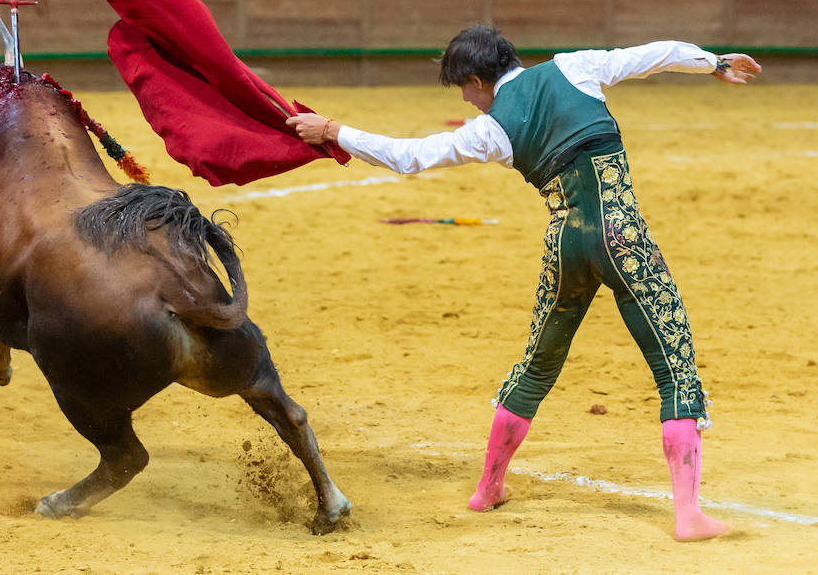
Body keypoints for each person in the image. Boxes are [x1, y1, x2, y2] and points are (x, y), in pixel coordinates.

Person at [287, 27, 760, 541]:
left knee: (537, 365)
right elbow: (653, 55)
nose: (467, 100)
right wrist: (713, 62)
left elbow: (409, 156)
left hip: (566, 247)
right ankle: (688, 514)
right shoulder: (572, 67)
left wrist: (335, 130)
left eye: (464, 89)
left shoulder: (491, 129)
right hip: (624, 241)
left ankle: (488, 488)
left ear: (477, 79)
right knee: (674, 368)